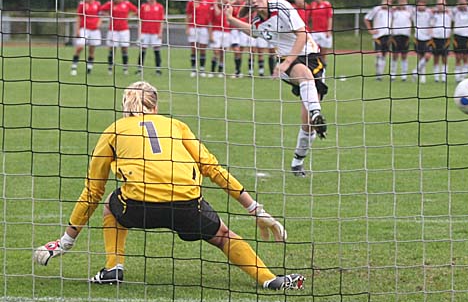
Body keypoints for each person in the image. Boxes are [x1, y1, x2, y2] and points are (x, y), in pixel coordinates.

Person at [33, 81, 304, 291]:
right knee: (223, 236)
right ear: (155, 107)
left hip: (137, 208)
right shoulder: (176, 125)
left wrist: (65, 242)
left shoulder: (113, 130)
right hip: (187, 205)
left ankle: (113, 268)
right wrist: (255, 210)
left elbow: (93, 191)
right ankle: (269, 279)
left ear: (125, 106)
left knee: (110, 206)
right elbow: (212, 168)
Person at [225, 0, 328, 177]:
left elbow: (302, 34)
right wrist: (230, 19)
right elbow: (254, 32)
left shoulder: (281, 6)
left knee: (307, 124)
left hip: (310, 58)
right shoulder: (257, 20)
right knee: (304, 76)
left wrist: (287, 62)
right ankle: (317, 113)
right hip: (287, 63)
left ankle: (297, 161)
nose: (254, 0)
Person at [99, 0, 138, 75]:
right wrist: (107, 15)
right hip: (113, 30)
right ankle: (110, 68)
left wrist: (130, 16)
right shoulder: (110, 4)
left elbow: (137, 11)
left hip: (124, 30)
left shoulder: (127, 4)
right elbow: (100, 10)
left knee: (124, 48)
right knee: (112, 49)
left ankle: (125, 68)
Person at [70, 0, 102, 76]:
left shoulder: (98, 4)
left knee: (92, 50)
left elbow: (100, 16)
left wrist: (99, 23)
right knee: (80, 47)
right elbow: (78, 17)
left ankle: (89, 69)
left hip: (94, 30)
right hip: (84, 29)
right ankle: (74, 67)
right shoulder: (82, 4)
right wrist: (77, 30)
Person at [186, 0, 215, 77]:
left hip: (204, 28)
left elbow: (219, 3)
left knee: (203, 49)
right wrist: (187, 28)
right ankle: (193, 69)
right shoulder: (191, 2)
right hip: (193, 27)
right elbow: (188, 15)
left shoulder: (209, 1)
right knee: (194, 48)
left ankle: (202, 69)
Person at [364, 0, 393, 81]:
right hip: (378, 36)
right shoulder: (376, 9)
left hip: (388, 35)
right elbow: (366, 18)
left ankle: (380, 73)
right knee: (379, 55)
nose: (388, 2)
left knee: (384, 56)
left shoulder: (391, 11)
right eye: (387, 0)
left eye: (390, 1)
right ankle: (378, 75)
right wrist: (370, 30)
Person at [136, 0, 164, 76]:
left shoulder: (160, 7)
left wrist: (160, 32)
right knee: (142, 50)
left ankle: (158, 69)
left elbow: (161, 21)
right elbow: (140, 20)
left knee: (157, 50)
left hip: (155, 32)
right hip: (145, 32)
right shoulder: (144, 6)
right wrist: (139, 32)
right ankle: (139, 69)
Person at [308, 0, 334, 76]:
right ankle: (315, 69)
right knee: (314, 52)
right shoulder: (312, 5)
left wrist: (329, 30)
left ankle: (323, 71)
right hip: (314, 32)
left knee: (323, 53)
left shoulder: (327, 4)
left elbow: (330, 18)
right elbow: (309, 18)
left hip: (324, 32)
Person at [390, 0, 413, 81]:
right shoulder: (394, 10)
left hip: (405, 35)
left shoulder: (410, 10)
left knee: (404, 55)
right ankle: (393, 74)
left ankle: (404, 75)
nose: (402, 0)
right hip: (396, 35)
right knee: (395, 55)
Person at [230, 0, 252, 78]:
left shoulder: (245, 6)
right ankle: (237, 70)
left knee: (241, 51)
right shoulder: (232, 6)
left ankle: (240, 71)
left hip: (243, 30)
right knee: (236, 50)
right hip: (234, 30)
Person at [209, 0, 231, 78]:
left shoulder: (227, 8)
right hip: (216, 32)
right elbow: (211, 21)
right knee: (216, 51)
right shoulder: (213, 9)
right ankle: (212, 71)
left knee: (223, 52)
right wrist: (210, 35)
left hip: (226, 32)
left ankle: (220, 70)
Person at [412, 0, 434, 83]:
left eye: (423, 4)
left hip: (427, 38)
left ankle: (415, 71)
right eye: (419, 4)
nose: (421, 6)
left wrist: (431, 28)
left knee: (427, 56)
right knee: (421, 57)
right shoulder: (413, 12)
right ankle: (422, 77)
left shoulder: (429, 12)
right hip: (418, 37)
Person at [452, 0, 468, 81]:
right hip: (457, 36)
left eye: (464, 3)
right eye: (460, 3)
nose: (462, 5)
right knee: (458, 57)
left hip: (467, 37)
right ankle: (457, 77)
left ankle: (464, 76)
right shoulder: (455, 11)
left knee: (465, 57)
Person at [431, 0, 452, 83]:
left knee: (444, 58)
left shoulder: (449, 13)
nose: (440, 6)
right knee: (436, 58)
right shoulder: (433, 14)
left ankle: (444, 77)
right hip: (435, 38)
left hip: (445, 38)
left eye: (442, 4)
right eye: (439, 4)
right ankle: (436, 77)